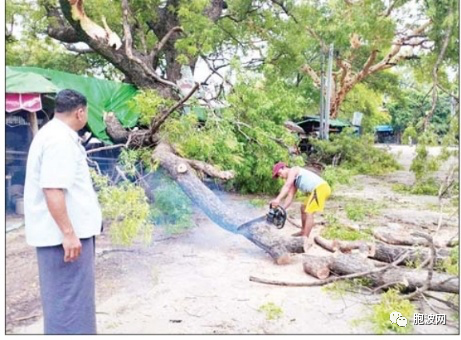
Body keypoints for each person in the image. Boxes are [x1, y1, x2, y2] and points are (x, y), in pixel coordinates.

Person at [24, 89, 102, 334]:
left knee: (69, 303)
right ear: (80, 112)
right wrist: (68, 234)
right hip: (65, 242)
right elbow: (53, 189)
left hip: (65, 238)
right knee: (70, 307)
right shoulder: (59, 140)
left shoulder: (53, 134)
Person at [270, 162, 331, 238]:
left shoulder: (293, 170)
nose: (280, 176)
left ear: (284, 168)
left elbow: (287, 185)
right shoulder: (293, 182)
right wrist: (282, 209)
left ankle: (305, 237)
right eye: (278, 176)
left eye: (279, 173)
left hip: (321, 188)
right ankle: (303, 230)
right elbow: (290, 196)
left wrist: (277, 199)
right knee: (303, 207)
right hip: (316, 190)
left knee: (309, 212)